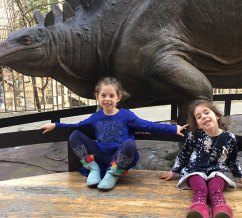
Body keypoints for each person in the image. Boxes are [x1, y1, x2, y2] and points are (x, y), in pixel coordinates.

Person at [40, 77, 187, 191]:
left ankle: (112, 174)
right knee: (75, 135)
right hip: (99, 156)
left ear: (118, 97)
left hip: (118, 157)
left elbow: (147, 125)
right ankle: (93, 168)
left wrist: (173, 129)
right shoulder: (95, 117)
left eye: (111, 95)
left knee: (129, 144)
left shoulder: (126, 115)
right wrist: (55, 125)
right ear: (97, 97)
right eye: (103, 95)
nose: (107, 99)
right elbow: (76, 125)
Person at [160, 100, 242, 218]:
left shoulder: (229, 138)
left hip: (217, 171)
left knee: (215, 189)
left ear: (217, 115)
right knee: (200, 189)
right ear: (198, 124)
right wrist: (174, 171)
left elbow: (232, 160)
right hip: (194, 171)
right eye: (199, 117)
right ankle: (198, 210)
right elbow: (184, 154)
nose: (204, 117)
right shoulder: (194, 135)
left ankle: (221, 210)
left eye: (206, 113)